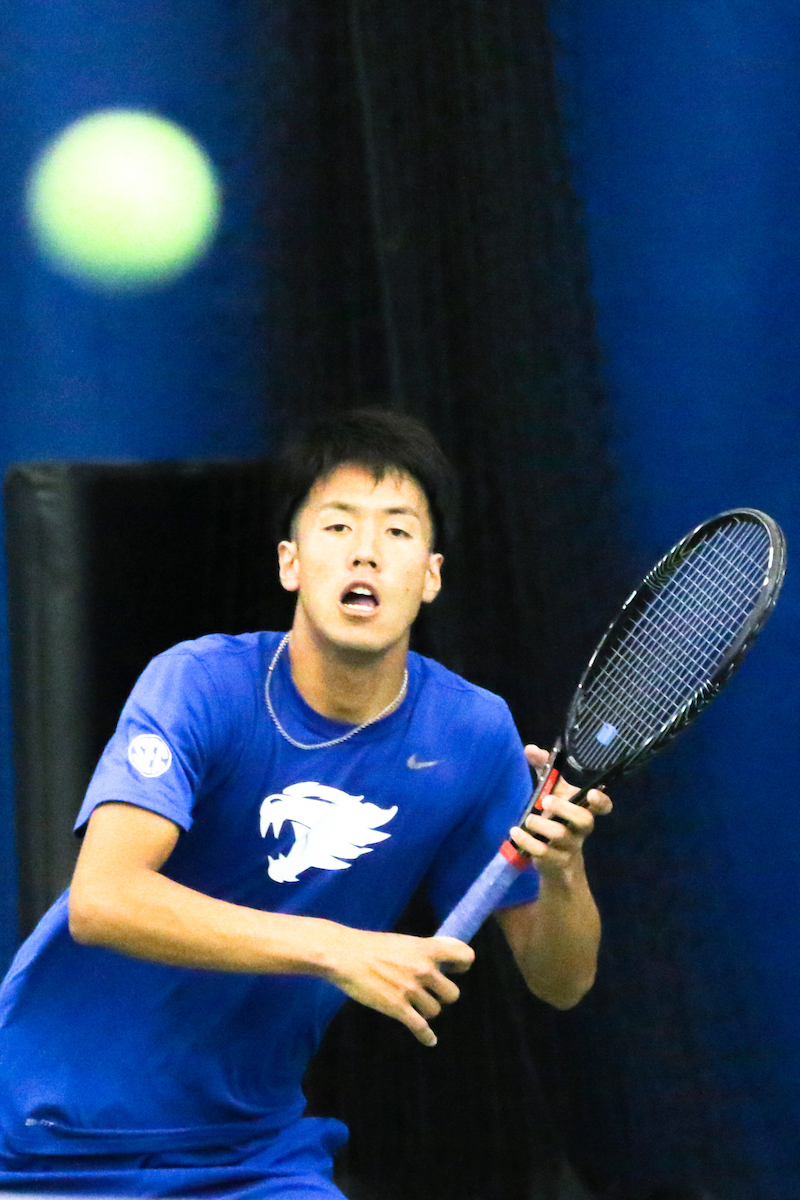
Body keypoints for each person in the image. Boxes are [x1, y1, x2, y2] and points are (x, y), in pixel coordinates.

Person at [0, 408, 611, 1198]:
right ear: (290, 562)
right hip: (43, 1139)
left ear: (429, 574)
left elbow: (561, 979)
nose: (365, 550)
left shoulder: (472, 736)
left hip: (250, 1154)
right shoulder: (199, 686)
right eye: (337, 526)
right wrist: (336, 947)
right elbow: (104, 899)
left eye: (397, 531)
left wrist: (564, 872)